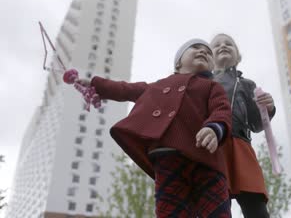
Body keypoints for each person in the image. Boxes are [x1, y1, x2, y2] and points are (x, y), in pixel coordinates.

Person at [80, 39, 232, 217]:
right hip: (167, 157)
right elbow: (125, 89)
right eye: (196, 48)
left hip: (207, 160)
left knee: (217, 212)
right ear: (178, 62)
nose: (203, 52)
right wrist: (94, 84)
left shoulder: (213, 86)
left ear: (212, 66)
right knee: (170, 212)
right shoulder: (157, 86)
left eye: (208, 52)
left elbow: (221, 110)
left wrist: (215, 128)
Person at [211, 33, 275, 218]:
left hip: (241, 145)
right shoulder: (203, 84)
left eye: (228, 44)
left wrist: (267, 108)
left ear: (237, 56)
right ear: (209, 58)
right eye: (217, 45)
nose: (223, 46)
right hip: (213, 146)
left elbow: (256, 124)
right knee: (215, 203)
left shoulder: (248, 85)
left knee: (255, 204)